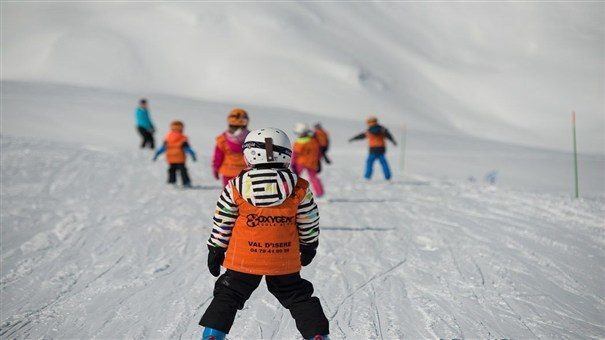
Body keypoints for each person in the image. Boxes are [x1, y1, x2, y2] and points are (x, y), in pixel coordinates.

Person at [199, 128, 329, 340]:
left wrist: (216, 248)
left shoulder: (236, 186)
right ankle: (317, 336)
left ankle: (213, 335)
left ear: (249, 154)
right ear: (287, 153)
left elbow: (223, 221)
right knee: (298, 297)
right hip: (283, 259)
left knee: (228, 295)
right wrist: (308, 245)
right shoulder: (299, 187)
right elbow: (309, 220)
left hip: (243, 259)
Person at [349, 116, 397, 180]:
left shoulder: (369, 130)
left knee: (369, 162)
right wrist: (393, 141)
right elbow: (389, 136)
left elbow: (361, 136)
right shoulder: (383, 129)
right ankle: (387, 176)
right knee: (383, 162)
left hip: (373, 149)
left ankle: (367, 176)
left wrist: (353, 139)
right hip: (381, 148)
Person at [212, 108, 250, 186]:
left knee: (229, 194)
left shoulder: (222, 139)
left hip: (228, 171)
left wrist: (216, 168)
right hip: (246, 172)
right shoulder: (251, 137)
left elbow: (218, 156)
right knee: (245, 195)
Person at [153, 121, 197, 187]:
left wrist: (157, 154)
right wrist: (193, 155)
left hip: (170, 157)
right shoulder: (183, 138)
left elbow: (163, 148)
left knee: (171, 170)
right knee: (183, 170)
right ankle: (186, 182)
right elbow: (187, 149)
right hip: (180, 158)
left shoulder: (168, 137)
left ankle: (171, 182)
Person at [292, 123, 324, 197]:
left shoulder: (299, 142)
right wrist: (318, 161)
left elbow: (295, 154)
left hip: (300, 162)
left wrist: (293, 163)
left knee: (294, 177)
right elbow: (318, 152)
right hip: (312, 162)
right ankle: (320, 193)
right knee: (313, 178)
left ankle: (292, 192)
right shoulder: (313, 140)